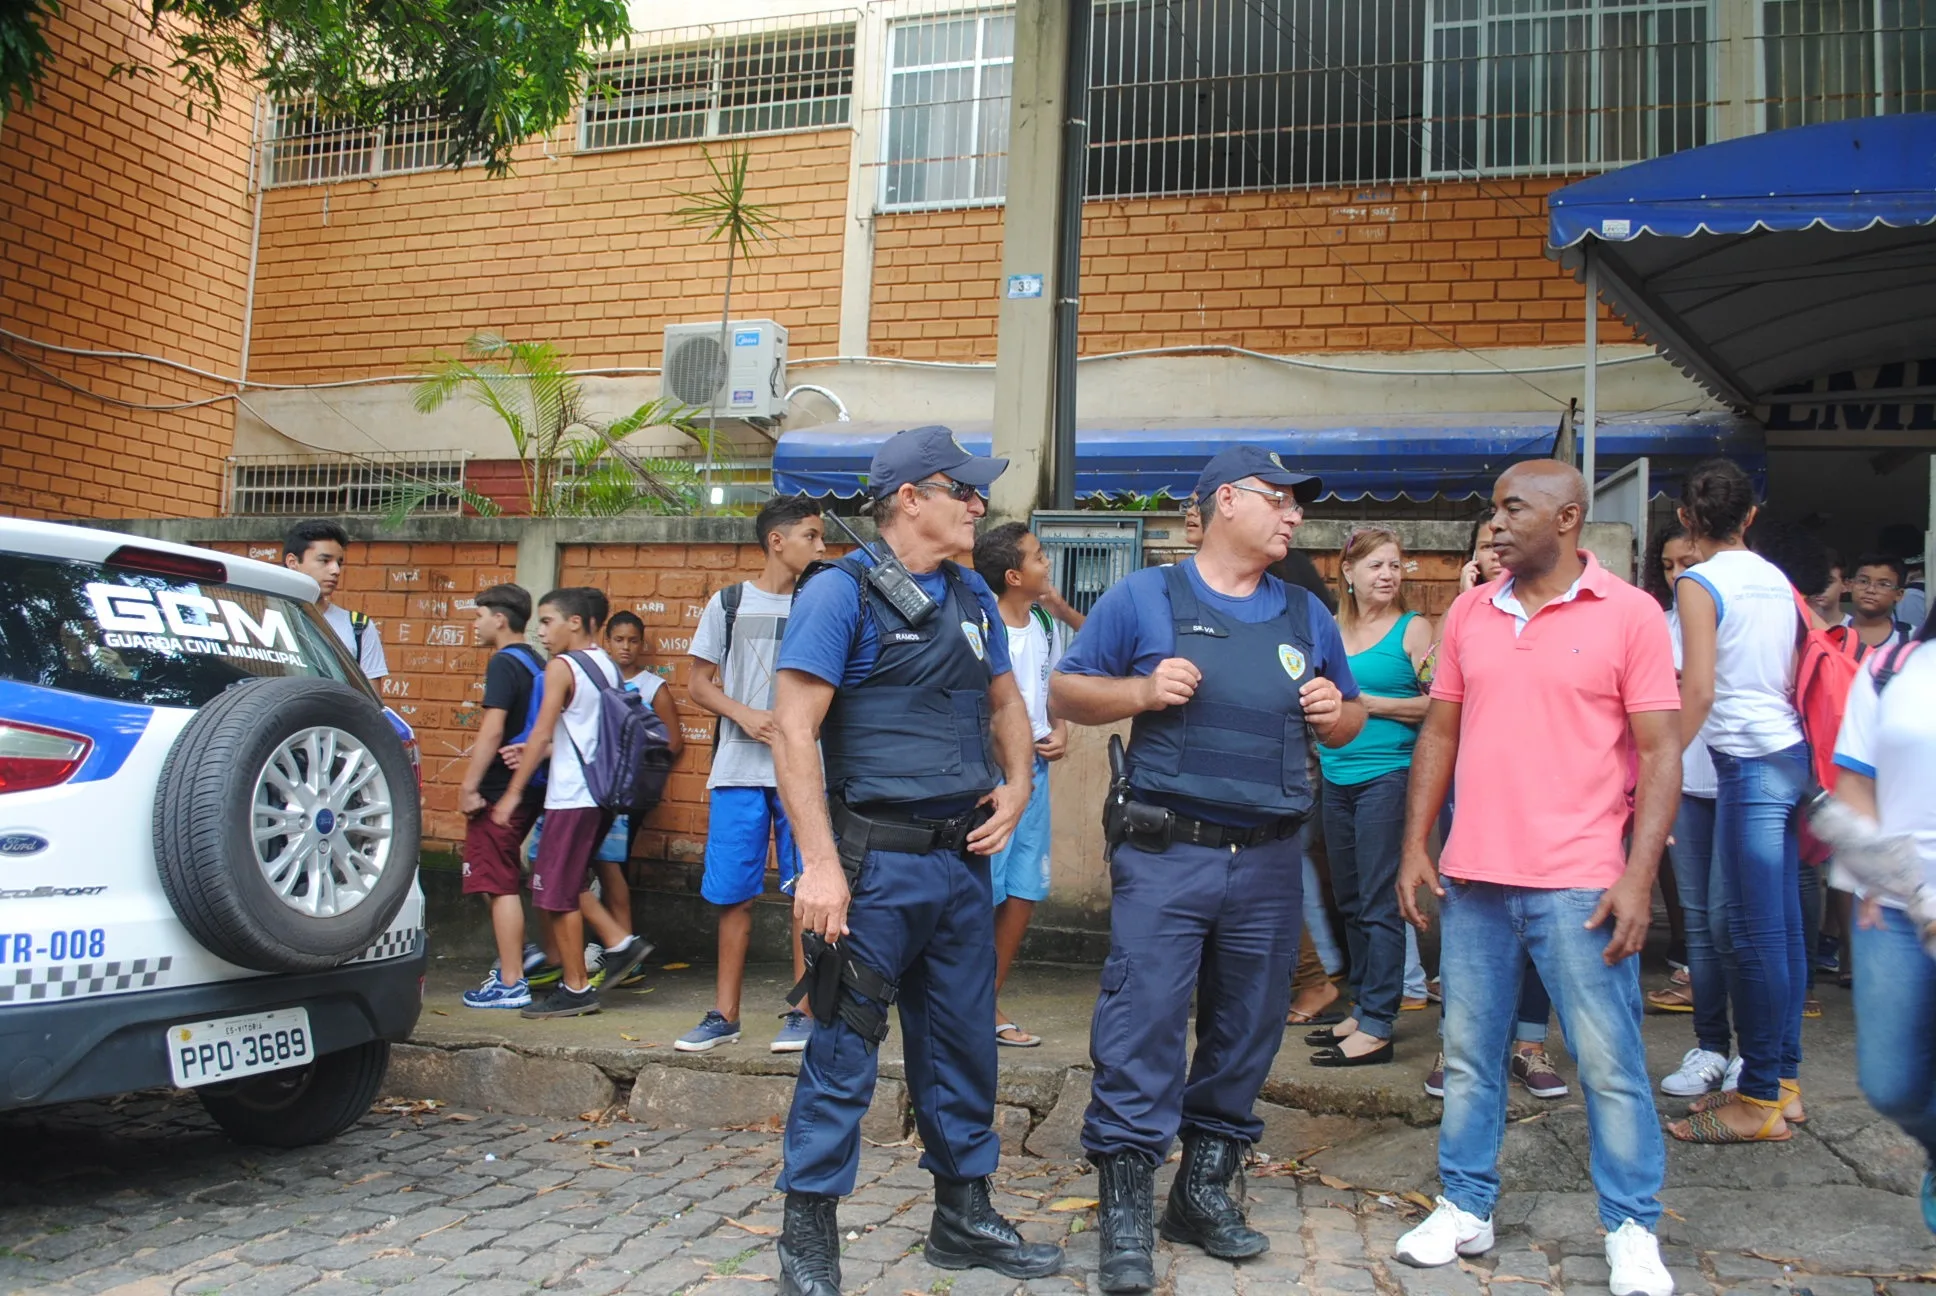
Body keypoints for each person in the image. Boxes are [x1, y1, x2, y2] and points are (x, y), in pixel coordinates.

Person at [1053, 445, 1365, 1293]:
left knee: (1248, 1027)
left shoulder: (1305, 614)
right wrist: (1143, 693)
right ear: (1227, 501)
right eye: (1281, 500)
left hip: (1269, 864)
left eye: (1300, 504)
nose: (1295, 516)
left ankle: (1200, 1191)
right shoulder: (1145, 596)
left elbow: (1350, 717)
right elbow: (1068, 693)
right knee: (1143, 1020)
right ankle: (1125, 1207)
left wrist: (1340, 713)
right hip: (1167, 854)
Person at [770, 426, 1060, 1294]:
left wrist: (1017, 788)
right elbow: (792, 729)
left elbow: (1006, 701)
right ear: (908, 498)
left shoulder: (972, 595)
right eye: (961, 491)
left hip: (961, 864)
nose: (978, 505)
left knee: (965, 1044)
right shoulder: (841, 593)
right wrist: (819, 868)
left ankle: (962, 1217)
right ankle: (807, 1237)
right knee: (845, 1047)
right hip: (873, 868)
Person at [1394, 460, 1678, 1296]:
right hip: (1476, 877)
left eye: (1513, 508)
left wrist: (1639, 875)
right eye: (1494, 510)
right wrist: (1417, 844)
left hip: (1580, 882)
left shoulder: (1630, 615)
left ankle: (1631, 1226)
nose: (1496, 524)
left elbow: (1661, 752)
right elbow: (1440, 734)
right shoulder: (1472, 612)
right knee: (1470, 1056)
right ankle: (1466, 1205)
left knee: (1610, 1063)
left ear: (1567, 517)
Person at [1670, 458, 1809, 1144]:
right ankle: (1783, 1084)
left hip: (1747, 765)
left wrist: (1661, 765)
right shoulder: (1777, 581)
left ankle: (1757, 1101)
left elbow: (1698, 692)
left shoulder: (1700, 582)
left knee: (1750, 939)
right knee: (1778, 929)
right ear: (1751, 516)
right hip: (1788, 756)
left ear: (1688, 521)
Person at [1420, 519, 1567, 1104]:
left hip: (1548, 803)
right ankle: (1455, 1042)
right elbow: (1433, 690)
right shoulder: (1464, 614)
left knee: (1540, 923)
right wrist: (1463, 599)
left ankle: (1529, 1045)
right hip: (1473, 799)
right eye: (1484, 541)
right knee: (1471, 926)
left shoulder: (1561, 609)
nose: (1495, 548)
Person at [680, 495, 825, 1055]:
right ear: (777, 541)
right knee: (733, 896)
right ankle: (725, 1014)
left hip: (805, 774)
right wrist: (744, 714)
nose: (821, 547)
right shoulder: (730, 603)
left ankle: (803, 1011)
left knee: (806, 895)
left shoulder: (826, 603)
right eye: (811, 536)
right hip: (739, 769)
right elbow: (698, 683)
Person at [1302, 527, 1433, 1067]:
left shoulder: (1415, 629)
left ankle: (1379, 1024)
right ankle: (1361, 1006)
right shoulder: (1329, 631)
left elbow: (1439, 706)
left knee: (1380, 903)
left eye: (1394, 565)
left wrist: (1368, 703)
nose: (1387, 575)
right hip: (1336, 775)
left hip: (1390, 775)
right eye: (1376, 565)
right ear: (1348, 574)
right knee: (1350, 899)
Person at [491, 588, 653, 1019]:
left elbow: (543, 732)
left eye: (547, 621)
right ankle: (619, 942)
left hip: (571, 797)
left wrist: (511, 794)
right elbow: (583, 734)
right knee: (563, 883)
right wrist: (538, 752)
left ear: (575, 622)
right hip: (601, 795)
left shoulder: (564, 667)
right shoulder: (608, 667)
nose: (540, 631)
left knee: (555, 893)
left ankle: (577, 986)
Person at [1831, 603, 1936, 1237]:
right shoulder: (1892, 668)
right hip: (1895, 909)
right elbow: (1854, 784)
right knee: (1890, 1082)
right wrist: (1884, 873)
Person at [972, 521, 1081, 1050]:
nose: (1047, 564)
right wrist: (1010, 772)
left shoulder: (1041, 620)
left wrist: (1059, 730)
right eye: (1039, 557)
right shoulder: (983, 626)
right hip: (994, 779)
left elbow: (1052, 690)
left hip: (1035, 774)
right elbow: (987, 710)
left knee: (1024, 891)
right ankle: (969, 1004)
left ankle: (986, 1000)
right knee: (983, 893)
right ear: (1014, 575)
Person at [1641, 522, 1739, 1096]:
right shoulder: (1658, 622)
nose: (1680, 574)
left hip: (1738, 778)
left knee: (1738, 924)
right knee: (1699, 923)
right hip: (1684, 780)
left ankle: (1755, 1053)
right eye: (1671, 565)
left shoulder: (1734, 609)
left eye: (1689, 562)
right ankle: (1709, 1047)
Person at [458, 584, 549, 1009]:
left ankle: (511, 981)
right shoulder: (535, 661)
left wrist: (469, 786)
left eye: (479, 616)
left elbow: (493, 729)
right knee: (501, 875)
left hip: (497, 789)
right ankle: (522, 954)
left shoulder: (503, 664)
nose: (475, 624)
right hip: (530, 785)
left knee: (498, 881)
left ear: (499, 618)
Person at [599, 609, 684, 982]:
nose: (626, 647)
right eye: (619, 640)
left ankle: (618, 949)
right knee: (601, 868)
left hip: (629, 794)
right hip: (600, 788)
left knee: (611, 867)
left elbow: (673, 740)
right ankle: (610, 945)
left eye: (633, 640)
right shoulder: (599, 678)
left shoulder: (651, 687)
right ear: (607, 641)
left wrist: (641, 767)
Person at [282, 519, 388, 681]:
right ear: (293, 562)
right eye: (325, 560)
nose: (336, 570)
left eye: (339, 563)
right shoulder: (265, 617)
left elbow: (370, 704)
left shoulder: (358, 627)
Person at [1842, 553, 1916, 659]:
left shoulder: (1912, 638)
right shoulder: (1833, 633)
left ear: (1899, 594)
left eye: (1883, 584)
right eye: (1863, 581)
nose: (1870, 590)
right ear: (1850, 585)